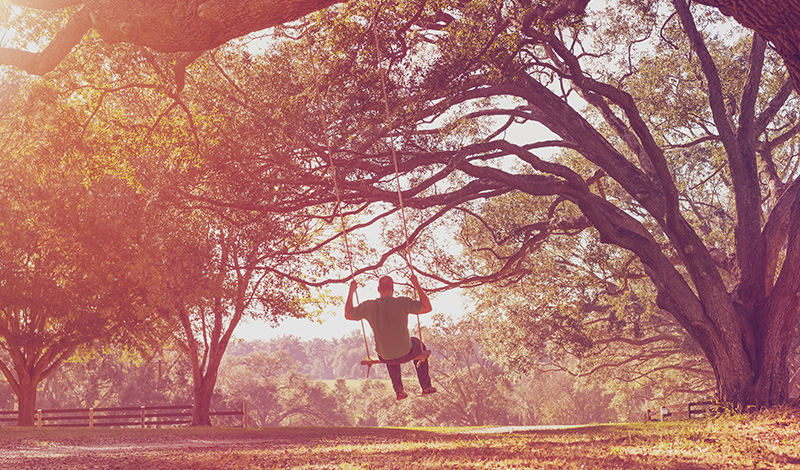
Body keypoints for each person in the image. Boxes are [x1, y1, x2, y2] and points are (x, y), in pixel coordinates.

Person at [345, 274, 437, 400]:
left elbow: (348, 314)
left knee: (388, 350)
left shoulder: (368, 306)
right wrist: (417, 285)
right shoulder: (402, 302)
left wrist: (351, 291)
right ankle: (425, 386)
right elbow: (427, 307)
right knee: (417, 343)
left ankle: (399, 390)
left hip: (384, 356)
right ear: (392, 288)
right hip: (406, 353)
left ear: (378, 289)